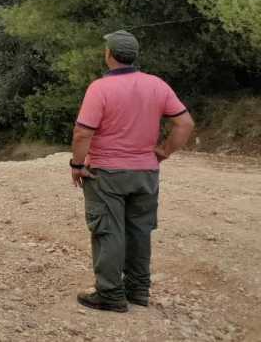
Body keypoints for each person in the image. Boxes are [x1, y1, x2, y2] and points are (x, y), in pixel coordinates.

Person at [70, 30, 195, 312]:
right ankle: (138, 291)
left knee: (108, 231)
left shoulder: (99, 88)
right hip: (145, 173)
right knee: (140, 231)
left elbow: (82, 132)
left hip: (106, 173)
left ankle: (110, 295)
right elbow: (185, 124)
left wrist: (77, 165)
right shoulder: (157, 85)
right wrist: (164, 151)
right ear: (134, 56)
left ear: (109, 55)